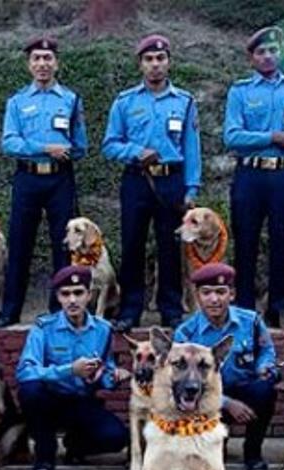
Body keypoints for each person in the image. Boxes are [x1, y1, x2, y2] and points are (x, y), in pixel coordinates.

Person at [102, 34, 201, 330]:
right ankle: (130, 309)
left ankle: (171, 309)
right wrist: (135, 152)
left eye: (160, 58)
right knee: (132, 243)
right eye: (149, 59)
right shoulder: (125, 101)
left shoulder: (184, 102)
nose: (155, 64)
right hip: (137, 180)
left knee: (170, 247)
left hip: (172, 180)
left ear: (169, 62)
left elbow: (192, 148)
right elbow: (110, 144)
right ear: (140, 64)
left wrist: (191, 188)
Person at [222, 26, 284, 328]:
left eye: (273, 51)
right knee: (245, 240)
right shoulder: (240, 91)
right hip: (250, 175)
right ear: (252, 58)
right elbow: (232, 136)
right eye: (261, 52)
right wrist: (271, 137)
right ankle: (244, 306)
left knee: (283, 241)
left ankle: (279, 306)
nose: (268, 56)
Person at [0, 37, 88, 328]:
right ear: (29, 64)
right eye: (37, 58)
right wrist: (45, 148)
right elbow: (10, 142)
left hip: (61, 178)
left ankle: (59, 310)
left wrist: (66, 151)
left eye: (48, 58)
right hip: (28, 177)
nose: (42, 64)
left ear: (56, 63)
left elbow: (81, 145)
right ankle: (10, 311)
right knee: (20, 243)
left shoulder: (71, 100)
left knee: (64, 245)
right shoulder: (17, 102)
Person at [17, 265, 128, 470]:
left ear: (89, 295)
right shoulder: (43, 328)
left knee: (117, 437)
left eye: (78, 293)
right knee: (30, 391)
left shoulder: (103, 329)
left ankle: (76, 446)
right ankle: (44, 455)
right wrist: (69, 370)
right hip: (50, 400)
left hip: (82, 400)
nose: (72, 300)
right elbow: (25, 372)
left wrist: (112, 378)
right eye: (65, 294)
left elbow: (106, 368)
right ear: (58, 297)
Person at [174, 263, 277, 470]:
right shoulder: (185, 333)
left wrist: (264, 367)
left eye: (221, 292)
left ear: (232, 294)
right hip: (203, 396)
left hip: (243, 386)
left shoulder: (251, 321)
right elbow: (178, 380)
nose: (214, 299)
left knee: (265, 389)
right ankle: (214, 446)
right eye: (207, 293)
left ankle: (253, 452)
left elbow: (267, 350)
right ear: (197, 296)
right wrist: (227, 403)